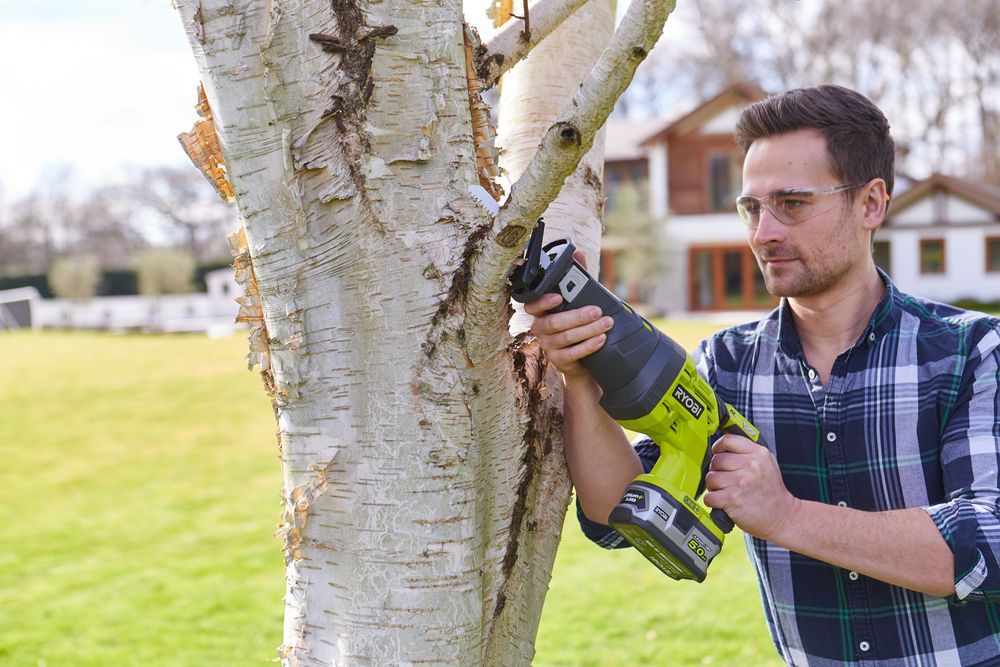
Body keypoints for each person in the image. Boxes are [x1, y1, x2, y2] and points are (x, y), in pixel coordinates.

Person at [525, 85, 1000, 665]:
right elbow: (616, 516)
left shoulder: (972, 351)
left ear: (871, 204)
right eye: (752, 208)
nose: (762, 233)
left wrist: (785, 515)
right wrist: (581, 378)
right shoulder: (726, 364)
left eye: (792, 204)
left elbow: (989, 545)